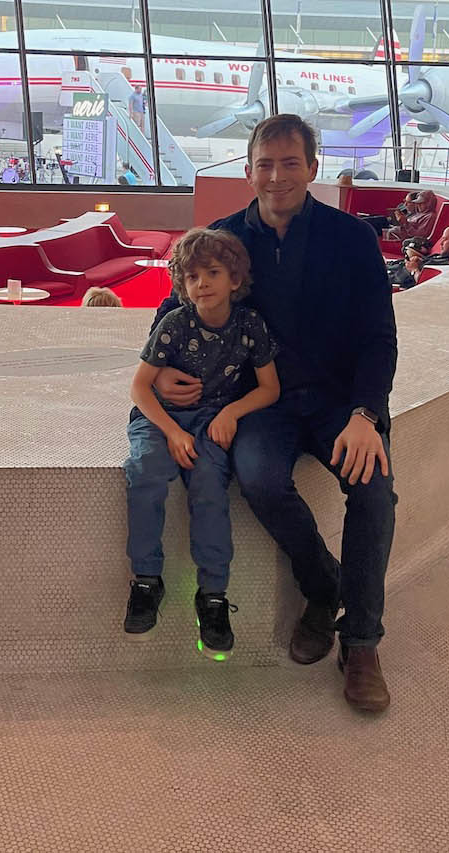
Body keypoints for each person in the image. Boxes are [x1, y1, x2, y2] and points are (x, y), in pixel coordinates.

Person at [151, 114, 398, 711]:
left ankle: (360, 642)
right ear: (247, 171)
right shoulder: (225, 238)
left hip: (342, 403)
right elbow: (176, 303)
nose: (277, 176)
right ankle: (323, 587)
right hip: (265, 402)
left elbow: (378, 337)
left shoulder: (353, 238)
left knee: (373, 493)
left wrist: (366, 414)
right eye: (265, 164)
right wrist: (159, 367)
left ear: (313, 169)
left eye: (291, 164)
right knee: (259, 478)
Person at [124, 228, 280, 658]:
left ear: (235, 279)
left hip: (211, 419)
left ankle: (212, 594)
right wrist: (172, 432)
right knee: (145, 473)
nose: (202, 284)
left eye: (212, 273)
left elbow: (270, 388)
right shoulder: (175, 323)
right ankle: (146, 581)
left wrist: (231, 413)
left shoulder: (249, 326)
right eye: (192, 277)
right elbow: (139, 389)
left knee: (210, 482)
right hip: (160, 418)